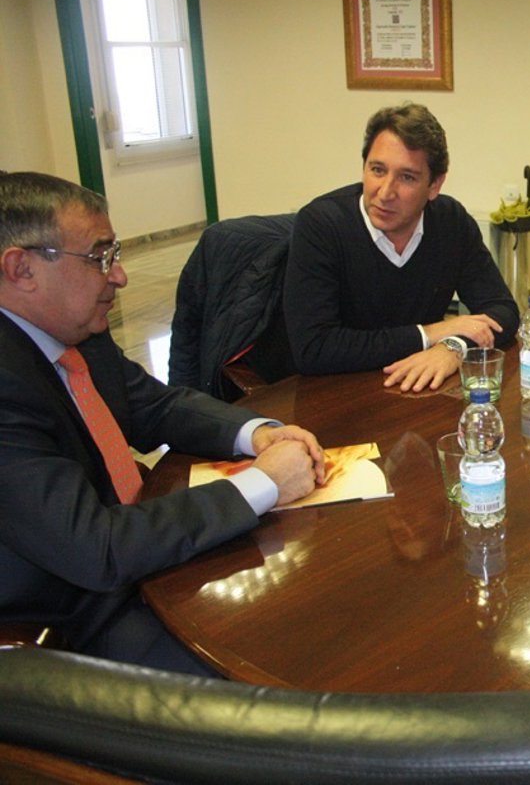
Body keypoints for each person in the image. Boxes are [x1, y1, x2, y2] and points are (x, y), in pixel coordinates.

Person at [0, 172, 326, 676]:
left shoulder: (76, 329)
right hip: (78, 617)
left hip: (143, 555)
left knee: (306, 603)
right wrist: (263, 483)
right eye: (100, 257)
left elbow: (153, 406)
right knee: (272, 672)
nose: (120, 276)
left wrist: (257, 433)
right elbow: (97, 549)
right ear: (22, 269)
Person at [285, 103, 519, 391]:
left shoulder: (450, 221)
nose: (385, 193)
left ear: (434, 185)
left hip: (415, 391)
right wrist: (429, 333)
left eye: (407, 177)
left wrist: (453, 347)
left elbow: (503, 311)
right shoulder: (321, 225)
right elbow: (314, 349)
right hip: (332, 393)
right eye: (377, 170)